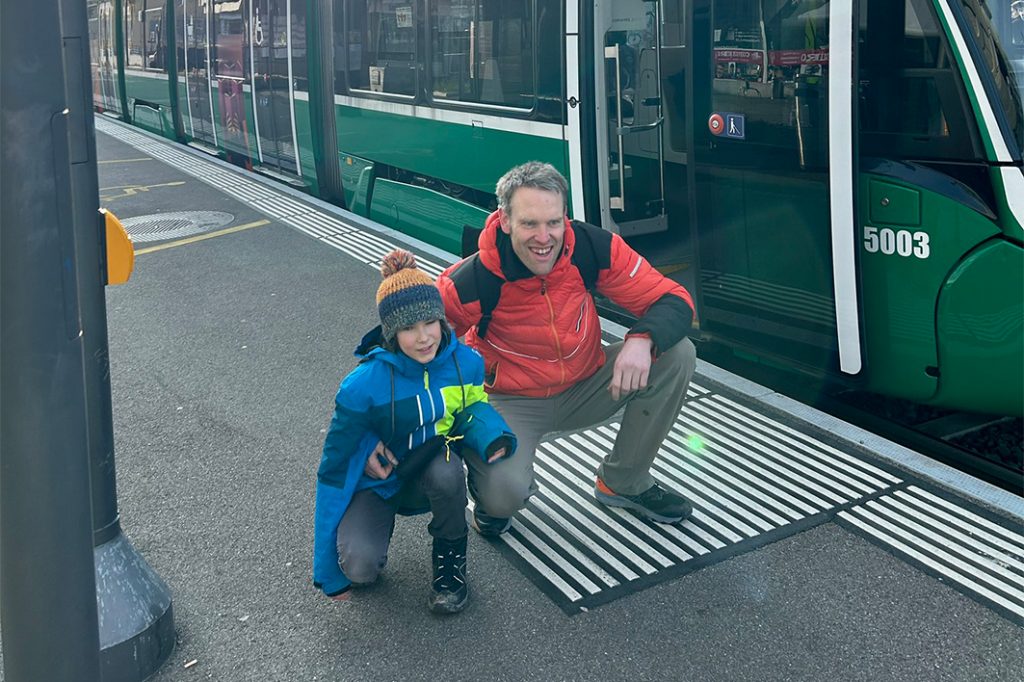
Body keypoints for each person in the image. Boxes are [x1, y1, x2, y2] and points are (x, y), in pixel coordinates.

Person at [437, 161, 697, 536]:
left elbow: (672, 298)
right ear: (505, 221)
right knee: (502, 499)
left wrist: (643, 339)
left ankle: (624, 480)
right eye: (529, 224)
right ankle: (489, 486)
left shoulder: (591, 247)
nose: (544, 238)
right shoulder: (473, 279)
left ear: (565, 219)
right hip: (511, 399)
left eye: (554, 222)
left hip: (586, 382)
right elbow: (419, 351)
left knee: (677, 353)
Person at [313, 249, 515, 614]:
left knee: (448, 469)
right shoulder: (360, 386)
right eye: (408, 328)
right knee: (358, 570)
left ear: (442, 321)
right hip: (376, 483)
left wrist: (493, 435)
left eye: (429, 323)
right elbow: (333, 471)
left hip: (426, 471)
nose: (423, 338)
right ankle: (375, 531)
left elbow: (471, 409)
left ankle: (450, 567)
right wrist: (327, 571)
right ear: (391, 333)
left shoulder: (466, 363)